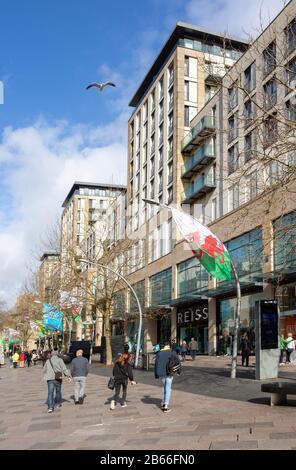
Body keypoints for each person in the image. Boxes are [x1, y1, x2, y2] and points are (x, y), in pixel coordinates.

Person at [154, 341, 180, 413]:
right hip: (169, 373)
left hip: (162, 373)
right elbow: (178, 362)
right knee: (168, 389)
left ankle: (163, 402)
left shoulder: (159, 353)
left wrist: (156, 374)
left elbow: (156, 364)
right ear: (169, 345)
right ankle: (165, 405)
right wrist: (178, 372)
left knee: (164, 387)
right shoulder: (172, 352)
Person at [43, 349, 71, 413]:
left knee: (50, 392)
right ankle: (58, 403)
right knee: (58, 391)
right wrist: (68, 376)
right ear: (57, 354)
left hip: (49, 379)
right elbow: (64, 369)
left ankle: (50, 407)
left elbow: (44, 370)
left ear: (52, 354)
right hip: (58, 377)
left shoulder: (48, 361)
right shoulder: (60, 360)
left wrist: (48, 372)